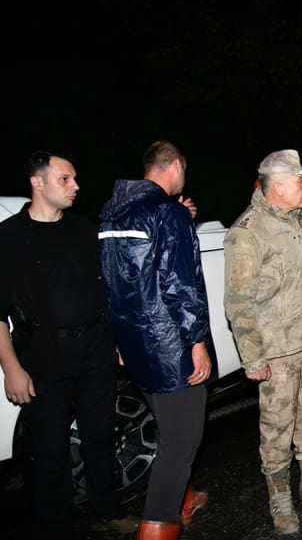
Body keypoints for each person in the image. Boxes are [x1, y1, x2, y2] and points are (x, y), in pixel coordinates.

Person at [0, 151, 139, 539]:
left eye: (74, 178)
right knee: (50, 452)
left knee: (100, 437)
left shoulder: (83, 230)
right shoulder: (8, 239)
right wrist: (12, 368)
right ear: (37, 182)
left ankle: (107, 510)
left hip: (95, 350)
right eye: (65, 179)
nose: (75, 186)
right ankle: (56, 527)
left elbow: (109, 289)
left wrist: (118, 342)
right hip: (43, 357)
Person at [224, 149, 302, 535]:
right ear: (278, 187)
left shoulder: (301, 221)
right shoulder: (247, 231)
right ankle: (280, 495)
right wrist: (252, 358)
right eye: (300, 181)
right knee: (276, 427)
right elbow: (238, 303)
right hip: (276, 350)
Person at [98, 140, 214, 540]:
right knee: (181, 444)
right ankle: (160, 524)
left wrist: (120, 342)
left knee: (169, 430)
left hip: (137, 349)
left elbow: (116, 285)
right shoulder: (166, 212)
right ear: (176, 165)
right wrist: (196, 340)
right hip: (173, 350)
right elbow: (181, 284)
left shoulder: (112, 214)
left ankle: (185, 500)